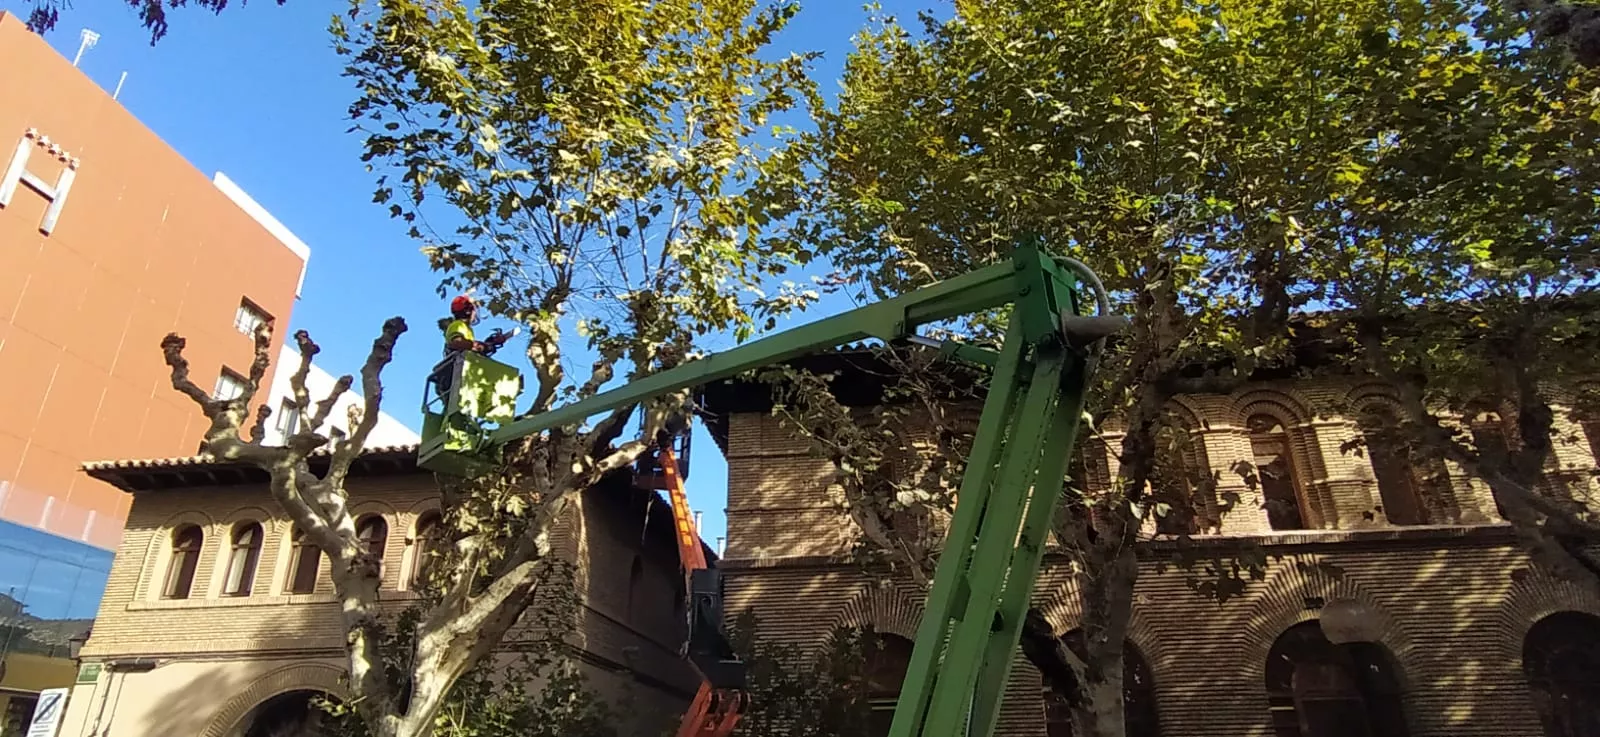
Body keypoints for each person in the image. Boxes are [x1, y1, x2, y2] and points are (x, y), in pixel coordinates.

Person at [441, 295, 510, 357]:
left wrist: (488, 343)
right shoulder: (458, 325)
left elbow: (468, 348)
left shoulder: (467, 328)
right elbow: (458, 343)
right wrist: (480, 346)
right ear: (468, 311)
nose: (475, 312)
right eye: (474, 309)